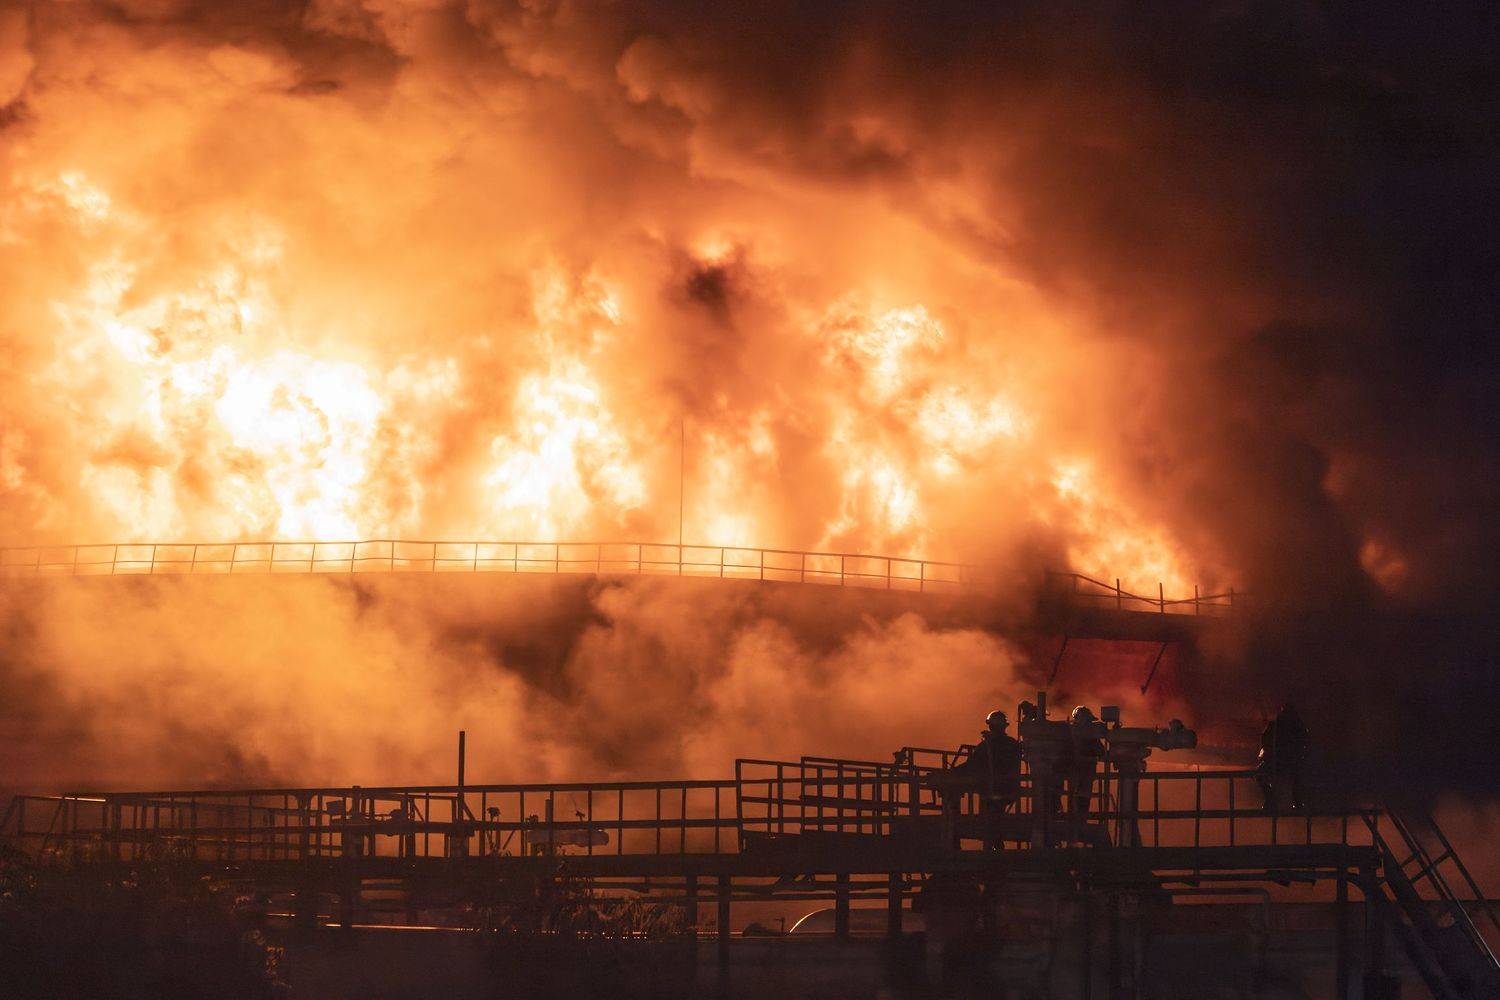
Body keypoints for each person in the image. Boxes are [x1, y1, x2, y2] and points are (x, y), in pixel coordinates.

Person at [940, 710, 1023, 846]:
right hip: (1008, 790)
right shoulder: (1012, 744)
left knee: (991, 825)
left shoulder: (987, 746)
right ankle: (996, 848)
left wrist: (953, 772)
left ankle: (992, 851)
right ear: (1004, 726)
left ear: (990, 726)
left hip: (991, 791)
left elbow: (971, 765)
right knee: (996, 823)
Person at [1256, 703, 1310, 810]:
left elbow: (1265, 740)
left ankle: (1272, 799)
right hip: (1287, 762)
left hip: (1284, 761)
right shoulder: (1294, 726)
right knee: (1259, 774)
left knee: (1259, 774)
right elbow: (1306, 742)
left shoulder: (1278, 725)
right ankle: (1294, 801)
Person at [1064, 706, 1104, 820]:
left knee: (1075, 797)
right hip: (1085, 770)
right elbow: (1101, 751)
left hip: (1077, 770)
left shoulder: (1069, 733)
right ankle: (1079, 820)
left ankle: (1076, 820)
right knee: (1082, 797)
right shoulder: (1090, 736)